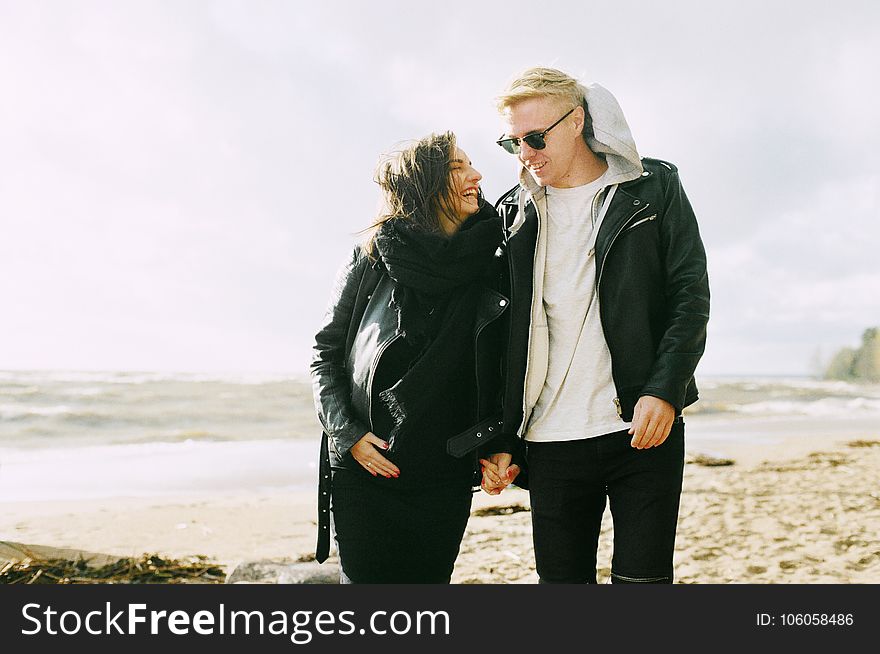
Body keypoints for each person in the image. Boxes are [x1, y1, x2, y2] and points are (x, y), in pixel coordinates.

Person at [481, 67, 710, 584]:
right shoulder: (512, 214)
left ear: (578, 120)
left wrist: (664, 390)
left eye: (535, 138)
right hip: (549, 440)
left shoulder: (653, 189)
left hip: (641, 427)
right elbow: (497, 337)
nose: (525, 154)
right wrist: (499, 437)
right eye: (511, 142)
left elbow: (689, 297)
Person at [310, 132, 516, 583]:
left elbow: (503, 366)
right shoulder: (371, 255)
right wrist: (349, 436)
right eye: (458, 167)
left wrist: (499, 445)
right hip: (367, 467)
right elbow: (325, 352)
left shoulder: (493, 258)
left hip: (444, 469)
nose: (477, 175)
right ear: (425, 185)